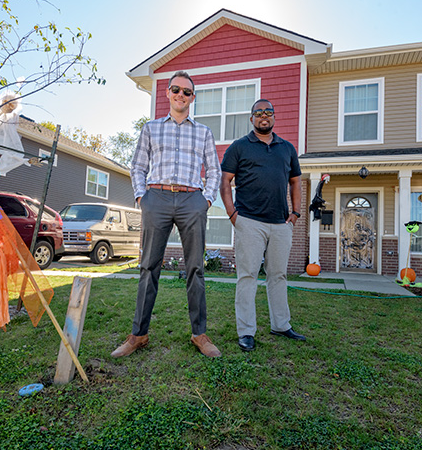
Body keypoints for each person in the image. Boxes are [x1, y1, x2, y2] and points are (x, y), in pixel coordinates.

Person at [112, 71, 222, 358]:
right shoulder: (151, 128)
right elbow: (137, 166)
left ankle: (199, 334)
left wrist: (206, 200)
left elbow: (214, 170)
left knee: (196, 268)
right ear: (167, 93)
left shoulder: (204, 132)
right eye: (176, 89)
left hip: (191, 200)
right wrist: (142, 197)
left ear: (193, 98)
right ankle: (138, 334)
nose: (180, 95)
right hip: (156, 198)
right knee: (148, 266)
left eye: (187, 92)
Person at [220, 99, 305, 352]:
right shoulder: (239, 147)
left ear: (274, 117)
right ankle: (246, 331)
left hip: (280, 224)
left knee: (278, 276)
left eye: (268, 112)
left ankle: (281, 324)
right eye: (258, 113)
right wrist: (232, 214)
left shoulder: (287, 148)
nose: (264, 116)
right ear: (252, 119)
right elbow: (225, 182)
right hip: (249, 222)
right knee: (247, 276)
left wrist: (296, 213)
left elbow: (296, 183)